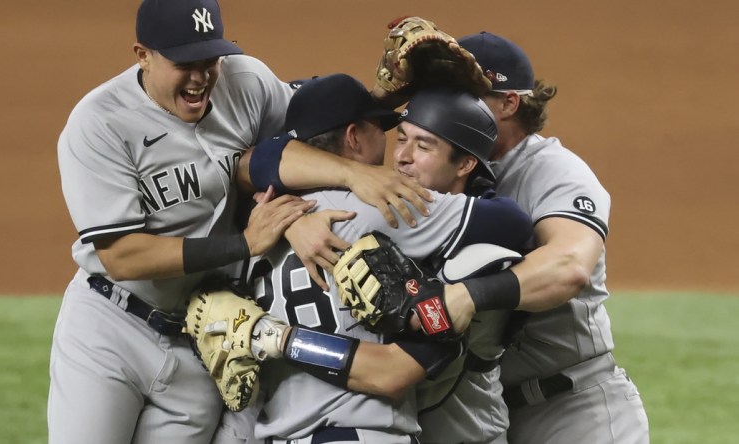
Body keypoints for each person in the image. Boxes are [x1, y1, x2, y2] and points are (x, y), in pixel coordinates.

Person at [50, 0, 431, 442]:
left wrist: (380, 106)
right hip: (110, 327)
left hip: (204, 335)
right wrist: (245, 243)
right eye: (184, 63)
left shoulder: (246, 82)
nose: (201, 77)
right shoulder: (99, 124)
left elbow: (313, 138)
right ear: (143, 55)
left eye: (209, 59)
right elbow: (122, 256)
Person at [237, 77, 532, 443]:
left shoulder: (256, 221)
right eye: (386, 131)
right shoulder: (381, 205)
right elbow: (512, 223)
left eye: (419, 143)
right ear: (354, 137)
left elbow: (250, 164)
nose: (398, 155)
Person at [445, 31, 650, 443]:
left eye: (463, 94)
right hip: (485, 414)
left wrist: (472, 295)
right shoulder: (448, 169)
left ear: (508, 103)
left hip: (573, 411)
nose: (445, 107)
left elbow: (568, 266)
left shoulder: (555, 171)